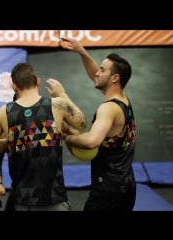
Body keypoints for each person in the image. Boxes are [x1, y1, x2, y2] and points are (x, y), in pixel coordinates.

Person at [0, 62, 86, 211]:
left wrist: (16, 141)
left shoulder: (3, 112)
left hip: (23, 202)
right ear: (37, 81)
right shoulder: (57, 105)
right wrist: (62, 95)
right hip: (54, 199)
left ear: (14, 86)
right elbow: (81, 123)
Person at [61, 37, 137, 211]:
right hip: (126, 185)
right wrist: (82, 52)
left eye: (102, 70)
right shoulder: (122, 99)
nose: (97, 72)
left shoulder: (108, 109)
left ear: (115, 78)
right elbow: (98, 76)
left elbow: (92, 141)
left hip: (108, 190)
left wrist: (67, 137)